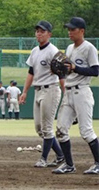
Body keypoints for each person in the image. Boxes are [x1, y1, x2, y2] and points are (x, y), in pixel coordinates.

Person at [52, 17, 99, 174]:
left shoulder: (89, 48)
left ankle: (98, 164)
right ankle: (69, 165)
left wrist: (75, 67)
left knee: (86, 131)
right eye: (69, 29)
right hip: (69, 91)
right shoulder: (69, 48)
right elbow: (68, 69)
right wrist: (58, 70)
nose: (70, 32)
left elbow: (95, 71)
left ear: (82, 31)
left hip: (82, 92)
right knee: (61, 130)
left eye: (73, 29)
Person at [19, 20, 65, 168]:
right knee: (39, 128)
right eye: (37, 31)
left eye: (42, 31)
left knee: (47, 127)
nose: (39, 33)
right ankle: (60, 155)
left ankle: (43, 159)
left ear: (49, 34)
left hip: (51, 89)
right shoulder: (34, 51)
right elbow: (31, 72)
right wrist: (25, 91)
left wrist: (66, 94)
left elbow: (63, 73)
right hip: (38, 90)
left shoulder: (53, 51)